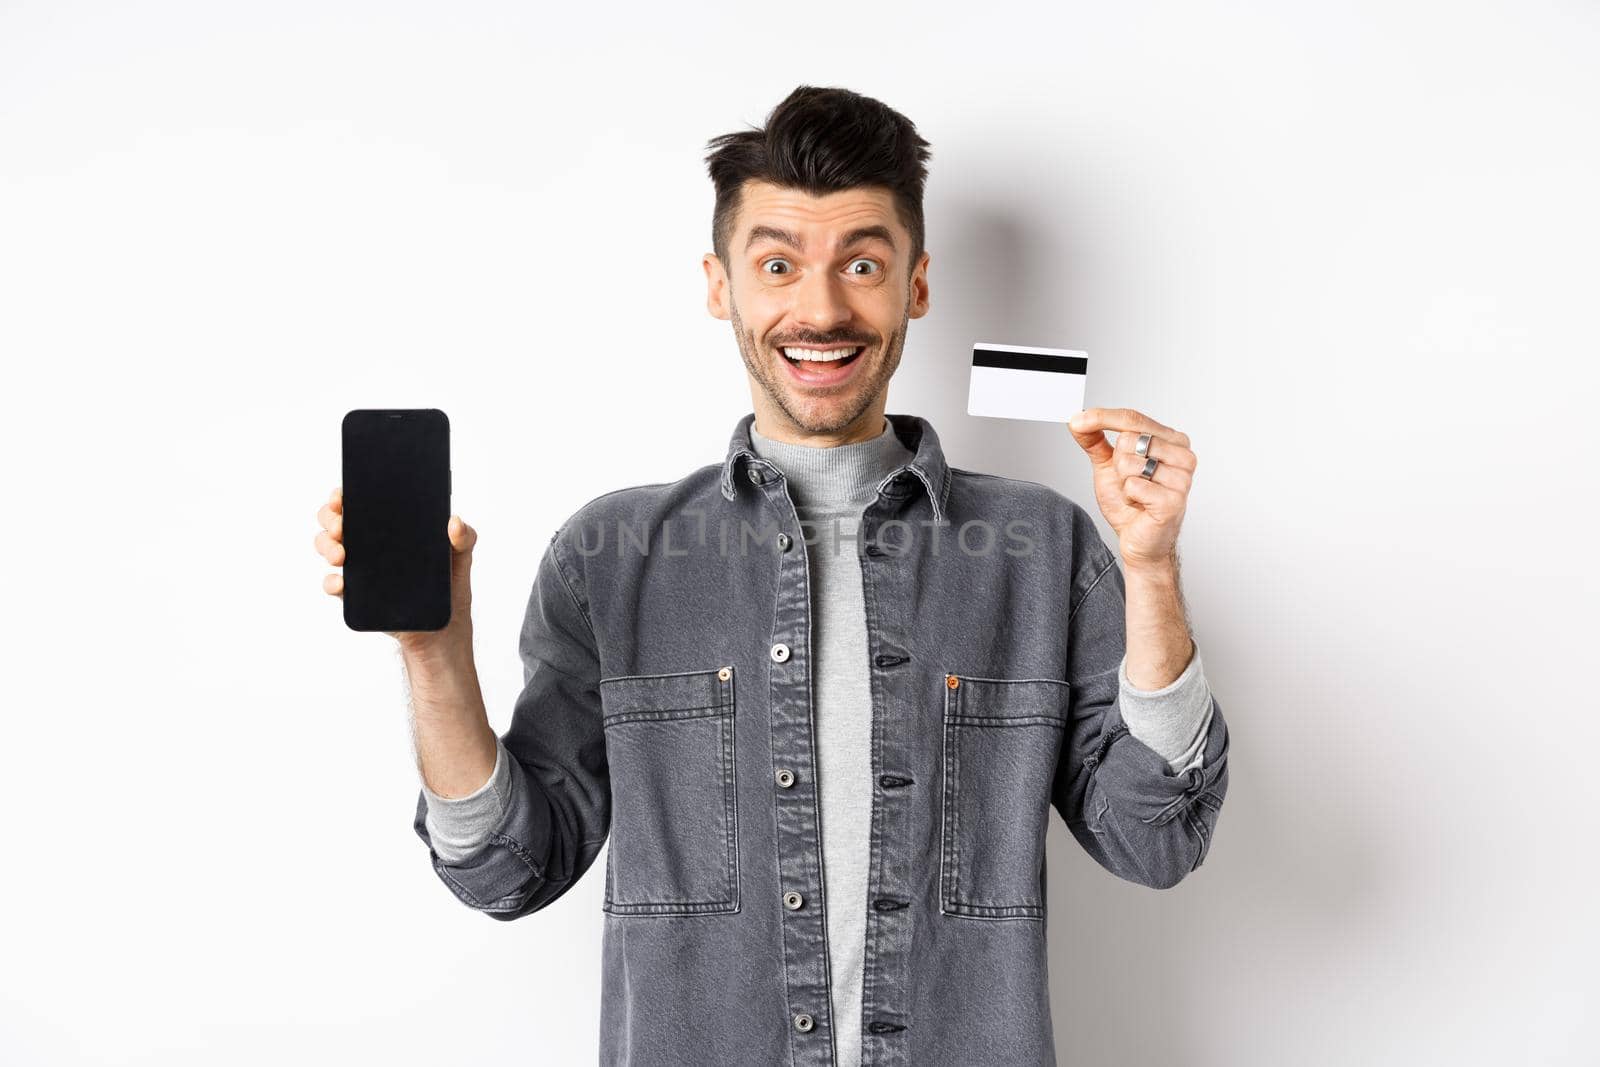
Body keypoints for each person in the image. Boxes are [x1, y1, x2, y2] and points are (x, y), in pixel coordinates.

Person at [312, 84, 1229, 1067]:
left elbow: (1156, 839)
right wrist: (432, 648)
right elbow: (506, 872)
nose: (821, 307)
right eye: (779, 263)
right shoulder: (612, 555)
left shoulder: (1039, 550)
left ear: (916, 283)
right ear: (721, 286)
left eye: (863, 263)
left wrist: (1150, 569)